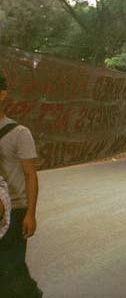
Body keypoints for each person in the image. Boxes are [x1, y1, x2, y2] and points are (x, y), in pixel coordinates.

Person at [0, 75, 42, 297]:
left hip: (13, 211)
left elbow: (30, 175)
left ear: (2, 95)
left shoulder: (19, 133)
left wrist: (30, 213)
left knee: (11, 267)